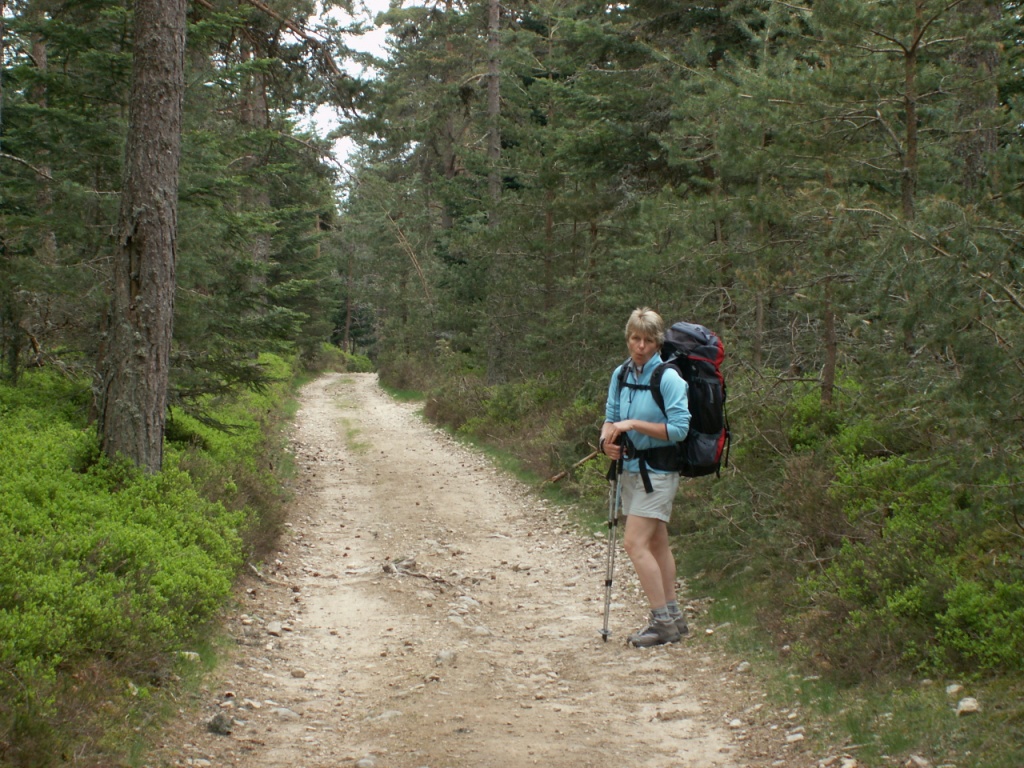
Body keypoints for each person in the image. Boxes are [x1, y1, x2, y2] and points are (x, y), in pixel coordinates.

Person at [600, 307, 691, 647]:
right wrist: (605, 442)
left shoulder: (669, 378)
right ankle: (674, 617)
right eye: (635, 339)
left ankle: (661, 623)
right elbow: (610, 418)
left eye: (648, 341)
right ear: (628, 338)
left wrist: (634, 424)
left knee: (634, 544)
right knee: (656, 544)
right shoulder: (621, 374)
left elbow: (680, 429)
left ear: (658, 343)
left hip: (660, 472)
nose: (640, 346)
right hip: (631, 470)